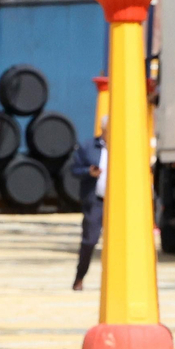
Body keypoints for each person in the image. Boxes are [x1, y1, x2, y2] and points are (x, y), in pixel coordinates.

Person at [69, 124, 105, 291]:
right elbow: (74, 169)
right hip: (96, 201)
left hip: (119, 203)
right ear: (104, 129)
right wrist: (88, 171)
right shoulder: (88, 146)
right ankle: (79, 277)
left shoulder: (126, 145)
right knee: (89, 241)